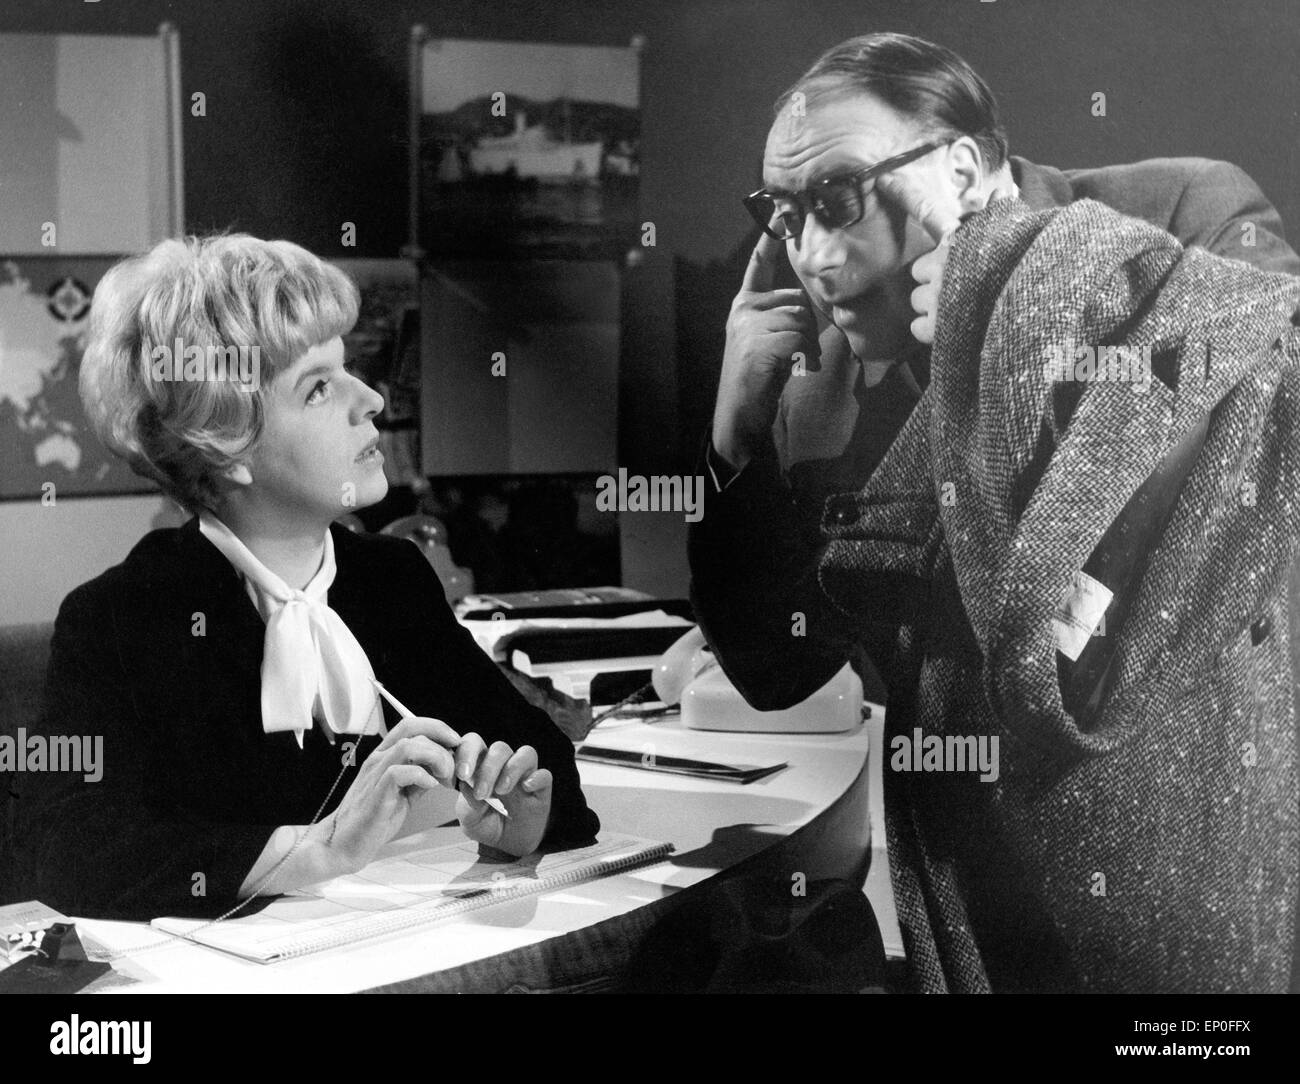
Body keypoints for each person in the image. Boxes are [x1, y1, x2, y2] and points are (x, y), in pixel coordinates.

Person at [689, 31, 1300, 992]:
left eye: (838, 199)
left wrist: (1015, 292)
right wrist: (732, 441)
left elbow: (1267, 428)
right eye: (785, 213)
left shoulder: (1183, 214)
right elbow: (777, 668)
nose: (810, 254)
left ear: (963, 166)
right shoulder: (823, 385)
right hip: (972, 879)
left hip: (1192, 860)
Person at [13, 235, 599, 921]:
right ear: (225, 447)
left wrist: (519, 826)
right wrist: (317, 849)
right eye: (319, 387)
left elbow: (547, 766)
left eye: (349, 368)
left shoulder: (392, 580)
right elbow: (64, 850)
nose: (372, 399)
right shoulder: (122, 615)